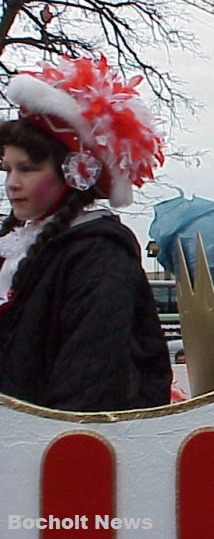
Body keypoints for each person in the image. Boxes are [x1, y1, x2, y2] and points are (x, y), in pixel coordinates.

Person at [0, 55, 171, 411]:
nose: (11, 185)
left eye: (27, 169)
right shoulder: (22, 247)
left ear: (74, 171)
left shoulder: (100, 259)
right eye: (7, 170)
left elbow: (87, 392)